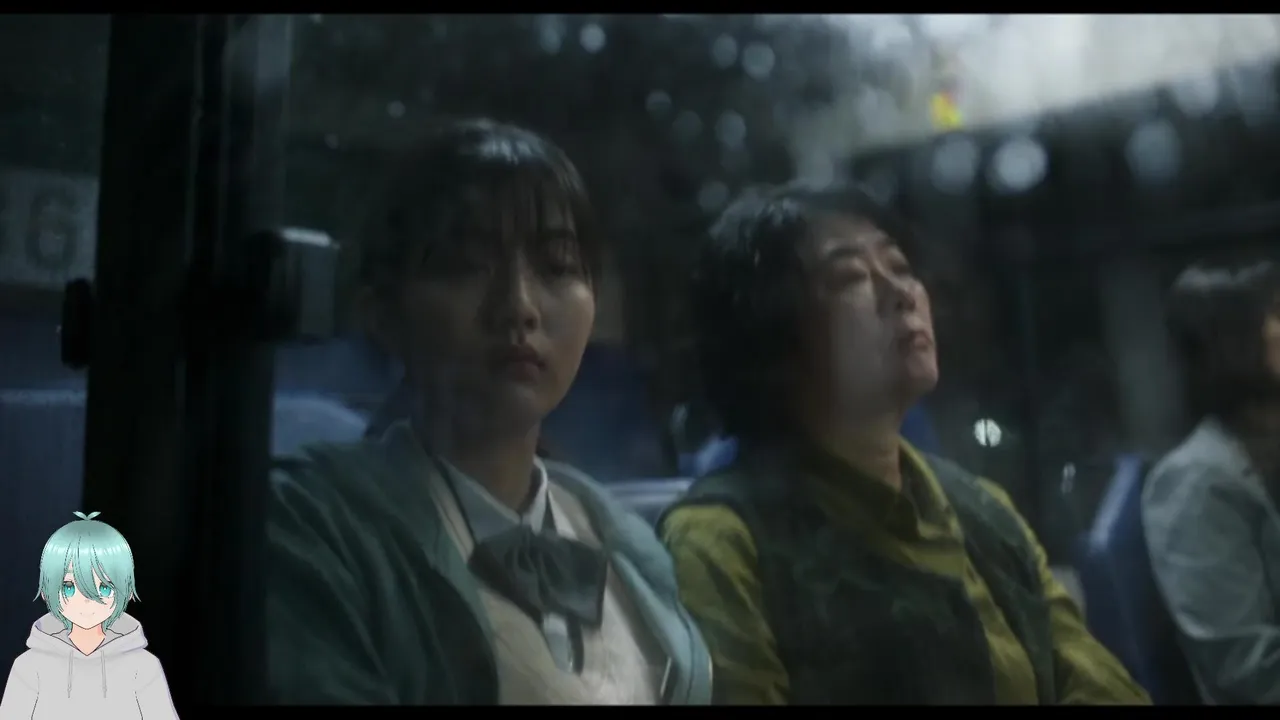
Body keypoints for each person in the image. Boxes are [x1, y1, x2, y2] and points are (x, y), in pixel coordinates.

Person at [265, 118, 712, 706]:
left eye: (557, 266)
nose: (519, 306)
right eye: (465, 264)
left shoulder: (623, 540)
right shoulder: (315, 525)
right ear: (382, 312)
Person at [658, 181, 1150, 705]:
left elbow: (1103, 687)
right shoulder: (722, 543)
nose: (901, 291)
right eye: (849, 277)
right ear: (770, 336)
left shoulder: (982, 510)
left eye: (900, 267)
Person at [1143, 260, 1280, 705]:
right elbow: (1249, 670)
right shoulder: (1195, 483)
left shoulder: (1268, 451)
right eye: (1275, 314)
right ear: (1238, 345)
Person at [0, 511, 177, 719]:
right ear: (48, 592)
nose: (86, 601)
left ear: (127, 592)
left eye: (104, 588)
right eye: (69, 587)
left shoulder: (143, 667)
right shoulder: (30, 667)